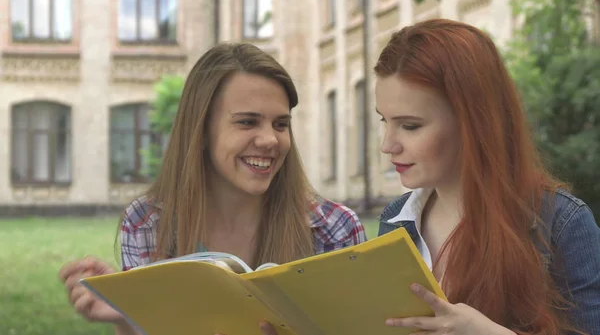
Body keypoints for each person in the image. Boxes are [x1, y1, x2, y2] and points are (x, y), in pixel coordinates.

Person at [59, 42, 367, 335]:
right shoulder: (148, 222)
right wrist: (124, 310)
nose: (270, 140)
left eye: (280, 124)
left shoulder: (336, 229)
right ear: (201, 131)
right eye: (247, 122)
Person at [374, 19, 600, 335]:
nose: (387, 145)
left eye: (410, 126)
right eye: (385, 121)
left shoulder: (561, 223)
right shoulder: (395, 220)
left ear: (473, 121)